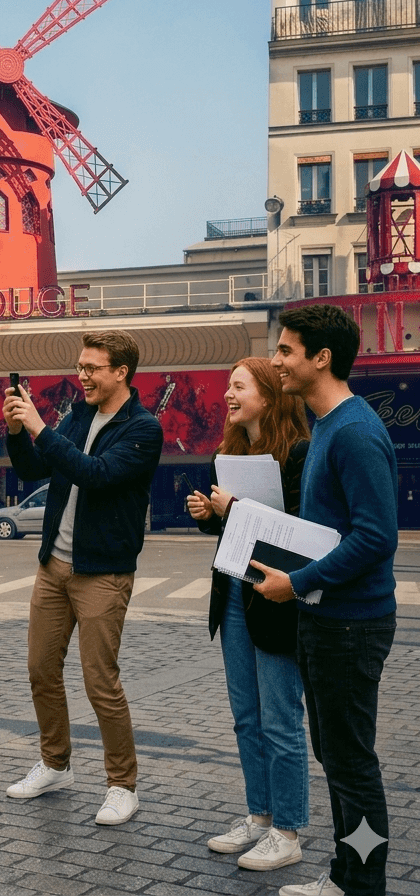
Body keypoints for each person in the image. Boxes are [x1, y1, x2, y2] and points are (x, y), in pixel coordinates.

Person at [254, 304, 397, 896]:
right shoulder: (329, 427)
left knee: (352, 764)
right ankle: (345, 874)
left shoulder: (356, 432)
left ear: (322, 358)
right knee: (336, 755)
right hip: (326, 618)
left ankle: (363, 883)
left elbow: (375, 535)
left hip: (349, 625)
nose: (275, 360)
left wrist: (299, 579)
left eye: (286, 350)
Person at [2, 329, 163, 825]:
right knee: (40, 671)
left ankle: (122, 785)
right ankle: (55, 764)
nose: (83, 376)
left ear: (121, 372)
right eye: (81, 366)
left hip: (103, 573)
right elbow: (34, 469)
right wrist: (16, 428)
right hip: (54, 567)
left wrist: (40, 427)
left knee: (101, 683)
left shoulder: (143, 428)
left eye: (93, 368)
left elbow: (96, 473)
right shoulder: (78, 415)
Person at [186, 358, 311, 871]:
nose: (227, 395)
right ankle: (259, 818)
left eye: (238, 386)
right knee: (246, 718)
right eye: (227, 387)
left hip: (278, 596)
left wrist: (234, 508)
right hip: (236, 593)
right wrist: (209, 518)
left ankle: (288, 829)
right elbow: (235, 534)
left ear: (267, 393)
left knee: (281, 719)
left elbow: (301, 533)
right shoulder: (231, 452)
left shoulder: (299, 454)